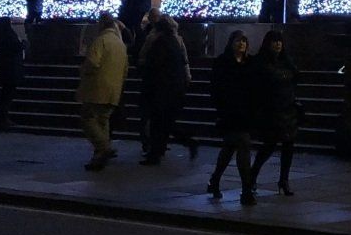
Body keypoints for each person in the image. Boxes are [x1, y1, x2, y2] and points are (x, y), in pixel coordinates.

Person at [207, 29, 258, 205]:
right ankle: (246, 189)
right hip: (229, 112)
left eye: (244, 41)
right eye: (238, 41)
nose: (241, 44)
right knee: (243, 146)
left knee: (230, 147)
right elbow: (216, 87)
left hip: (245, 112)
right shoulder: (223, 62)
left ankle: (215, 180)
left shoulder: (250, 63)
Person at [137, 13, 196, 164]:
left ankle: (157, 153)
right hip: (173, 88)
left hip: (162, 89)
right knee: (165, 122)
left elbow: (154, 66)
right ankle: (160, 151)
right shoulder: (174, 41)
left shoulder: (160, 42)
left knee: (160, 122)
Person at [248, 29, 301, 197]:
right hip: (272, 110)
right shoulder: (261, 63)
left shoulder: (286, 61)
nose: (278, 44)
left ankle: (283, 180)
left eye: (280, 41)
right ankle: (253, 175)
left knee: (288, 146)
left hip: (288, 109)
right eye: (274, 41)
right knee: (269, 145)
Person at [78, 12, 127, 171]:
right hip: (114, 89)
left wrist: (83, 72)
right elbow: (125, 69)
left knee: (89, 119)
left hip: (97, 88)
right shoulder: (120, 44)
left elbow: (92, 62)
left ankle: (104, 147)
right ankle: (99, 157)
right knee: (103, 121)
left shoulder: (101, 41)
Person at [0, 17, 24, 129]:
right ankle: (2, 118)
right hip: (11, 68)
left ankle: (1, 118)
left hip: (5, 67)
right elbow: (16, 47)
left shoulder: (0, 35)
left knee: (5, 94)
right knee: (7, 95)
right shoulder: (8, 35)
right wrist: (23, 44)